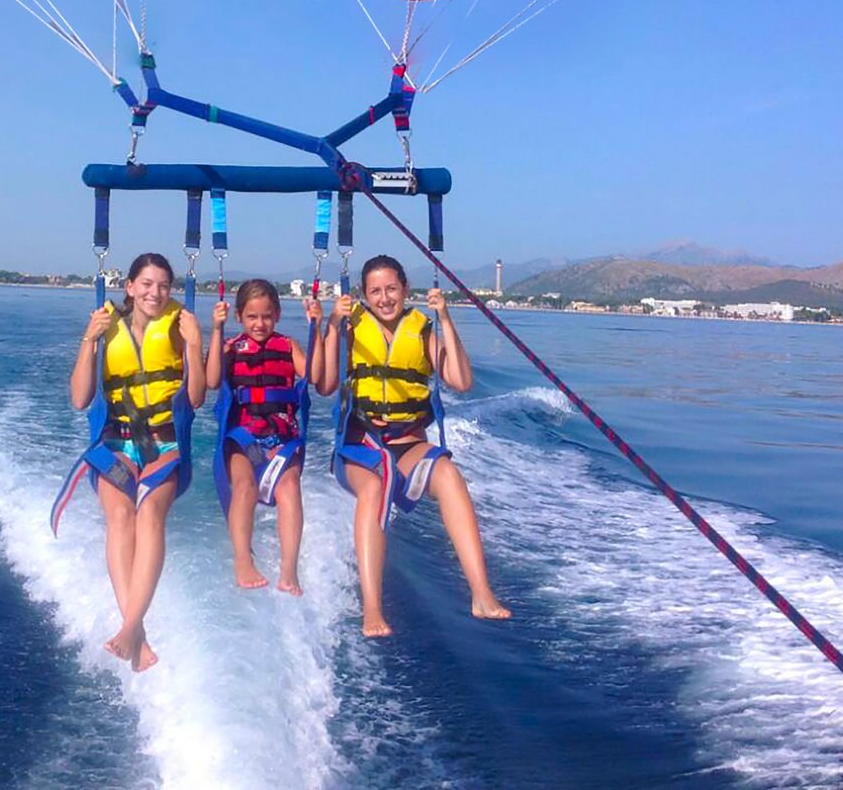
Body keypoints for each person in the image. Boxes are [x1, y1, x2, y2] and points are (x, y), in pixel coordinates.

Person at [318, 254, 510, 638]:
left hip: (409, 446)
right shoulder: (352, 327)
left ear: (406, 290)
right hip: (360, 446)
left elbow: (460, 381)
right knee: (373, 490)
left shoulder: (422, 331)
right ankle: (372, 609)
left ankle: (481, 593)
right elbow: (323, 385)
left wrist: (446, 319)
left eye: (392, 289)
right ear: (364, 295)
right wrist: (333, 324)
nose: (385, 298)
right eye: (375, 291)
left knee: (451, 477)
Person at [59, 253, 206, 672]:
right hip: (116, 445)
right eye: (146, 284)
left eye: (163, 286)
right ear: (129, 286)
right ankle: (134, 633)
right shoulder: (106, 328)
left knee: (150, 517)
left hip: (164, 444)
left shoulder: (181, 329)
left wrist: (195, 345)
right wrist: (89, 339)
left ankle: (130, 628)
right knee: (121, 517)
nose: (155, 293)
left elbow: (195, 398)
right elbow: (79, 398)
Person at [206, 279, 323, 596]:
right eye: (252, 317)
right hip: (244, 438)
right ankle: (243, 560)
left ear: (278, 314)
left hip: (283, 438)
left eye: (267, 316)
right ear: (239, 318)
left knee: (290, 488)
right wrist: (216, 332)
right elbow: (212, 380)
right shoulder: (231, 349)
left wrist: (318, 329)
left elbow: (314, 376)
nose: (260, 324)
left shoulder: (288, 346)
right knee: (245, 485)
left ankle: (289, 570)